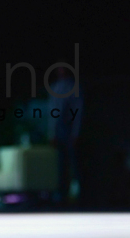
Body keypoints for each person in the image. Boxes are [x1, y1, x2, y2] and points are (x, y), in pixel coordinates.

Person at [47, 66, 83, 205]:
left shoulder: (74, 86)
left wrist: (75, 133)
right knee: (60, 165)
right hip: (59, 130)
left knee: (75, 164)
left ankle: (78, 195)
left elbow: (78, 111)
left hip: (69, 128)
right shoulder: (54, 87)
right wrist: (51, 133)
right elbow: (52, 113)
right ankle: (61, 195)